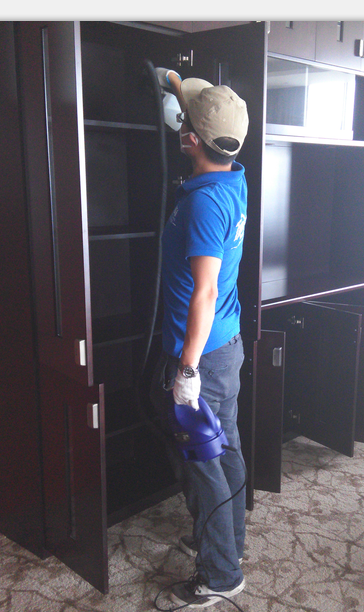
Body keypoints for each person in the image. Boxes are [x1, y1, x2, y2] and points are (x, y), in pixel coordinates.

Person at [152, 68, 249, 608]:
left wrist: (187, 370)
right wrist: (173, 81)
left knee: (205, 464)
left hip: (204, 357)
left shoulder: (203, 203)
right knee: (225, 449)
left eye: (184, 122)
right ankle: (229, 543)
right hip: (226, 346)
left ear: (190, 139)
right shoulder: (231, 176)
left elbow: (205, 292)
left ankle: (220, 574)